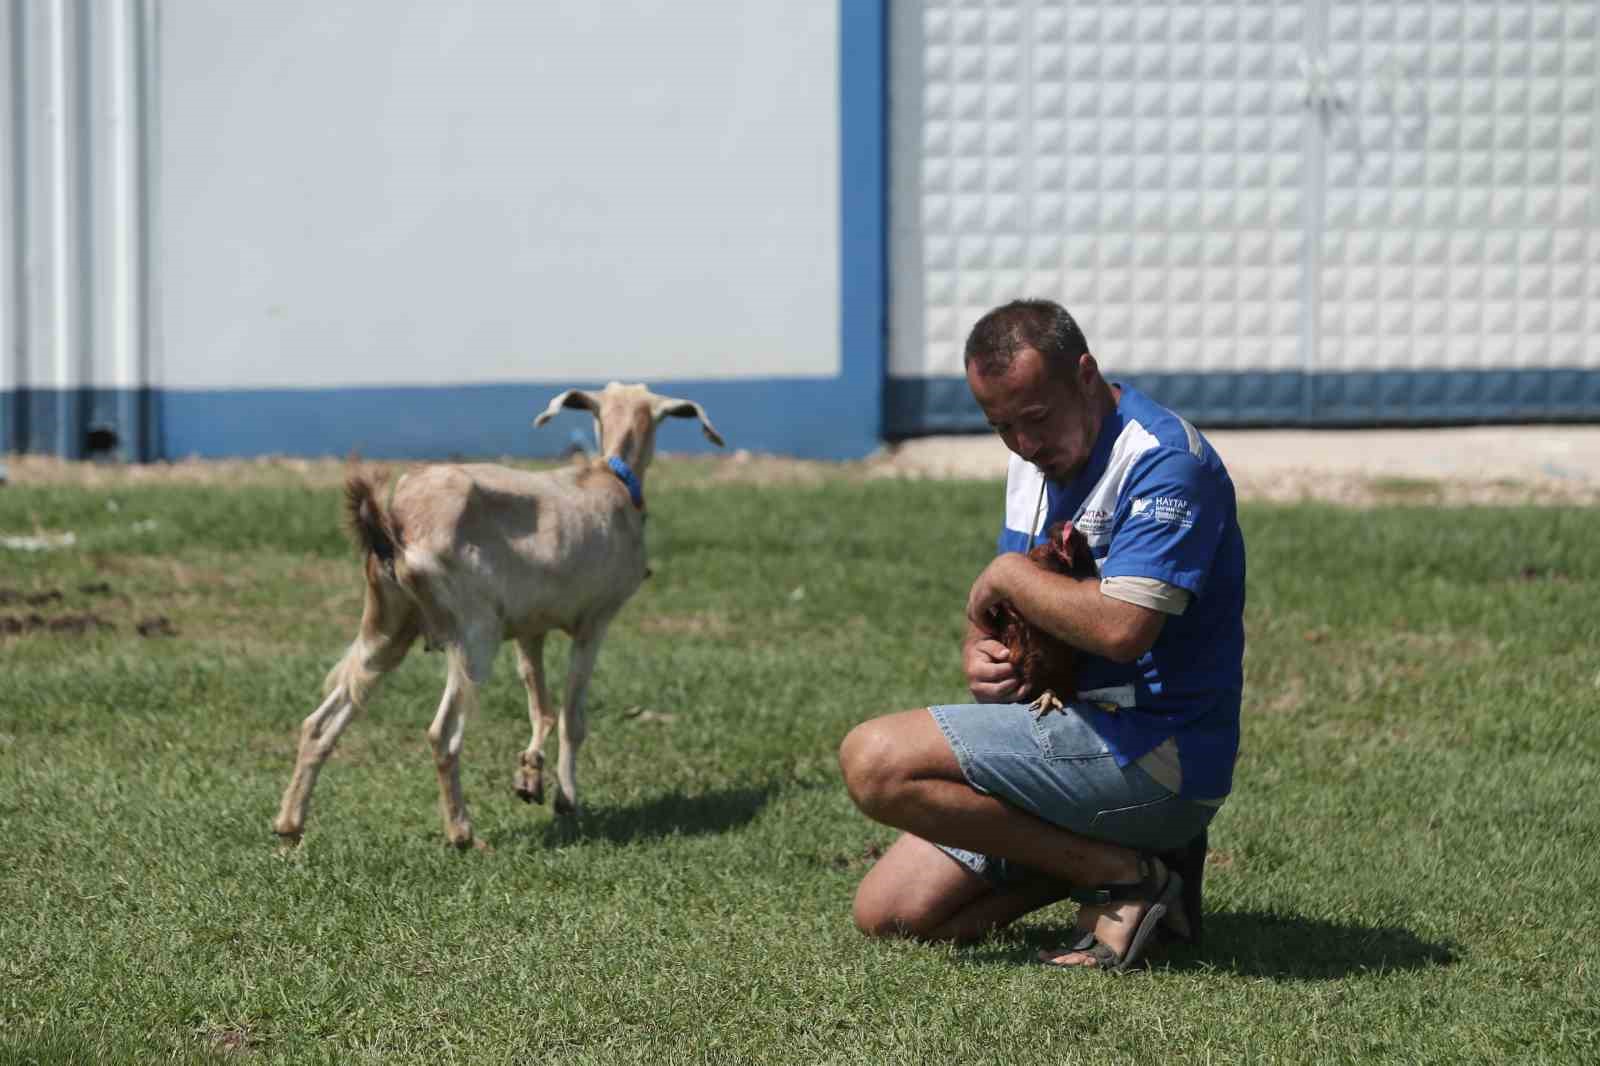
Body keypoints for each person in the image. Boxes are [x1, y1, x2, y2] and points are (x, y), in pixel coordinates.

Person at [838, 298, 1246, 970]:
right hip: (1069, 734)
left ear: (1085, 375)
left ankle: (1126, 874)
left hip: (1156, 756)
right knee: (891, 915)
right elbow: (1027, 612)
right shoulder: (1033, 463)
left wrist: (1004, 574)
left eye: (1036, 418)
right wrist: (988, 654)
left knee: (875, 759)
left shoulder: (1166, 463)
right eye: (1001, 427)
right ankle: (1129, 865)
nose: (1025, 444)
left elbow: (1121, 631)